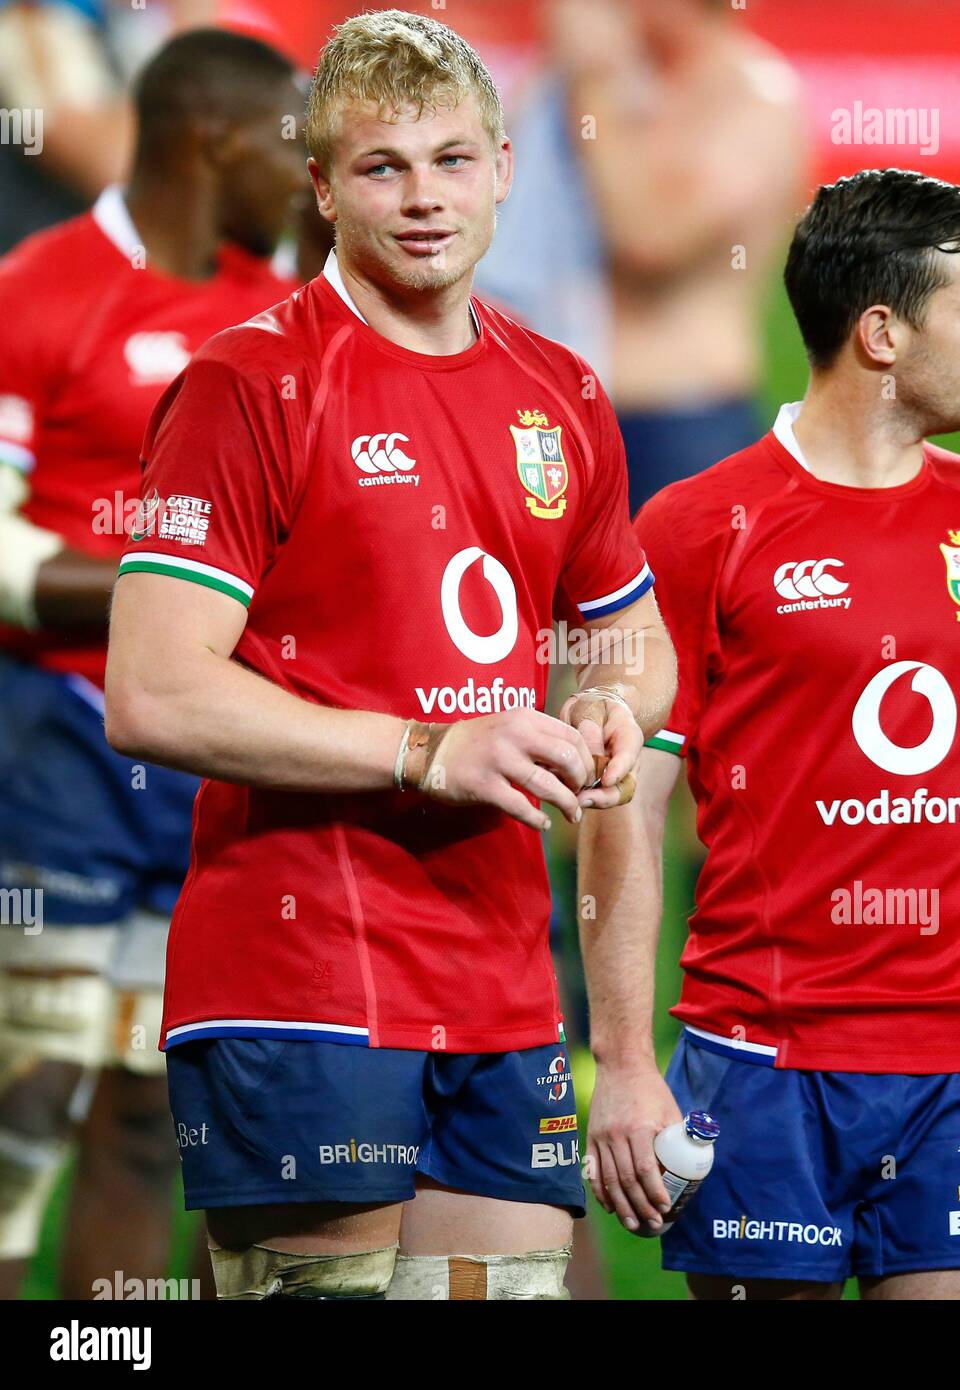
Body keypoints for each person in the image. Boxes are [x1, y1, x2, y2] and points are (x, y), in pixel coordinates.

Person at [104, 8, 674, 1301]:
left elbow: (626, 631)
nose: (424, 199)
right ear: (321, 185)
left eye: (452, 160)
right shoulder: (248, 383)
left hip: (498, 972)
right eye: (382, 167)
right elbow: (152, 688)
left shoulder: (562, 392)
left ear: (504, 169)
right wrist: (429, 747)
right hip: (298, 970)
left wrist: (617, 701)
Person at [579, 169, 960, 1300]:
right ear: (881, 332)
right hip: (760, 1065)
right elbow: (623, 802)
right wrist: (628, 1062)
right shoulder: (696, 529)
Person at [0, 26, 304, 1298]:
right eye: (291, 148)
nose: (310, 175)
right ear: (213, 139)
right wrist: (170, 592)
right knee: (28, 1105)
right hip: (57, 736)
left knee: (143, 1101)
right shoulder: (38, 286)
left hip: (203, 755)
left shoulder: (272, 311)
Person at [550, 0, 805, 512]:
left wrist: (594, 85)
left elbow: (651, 239)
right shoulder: (642, 86)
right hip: (579, 419)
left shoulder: (754, 100)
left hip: (682, 424)